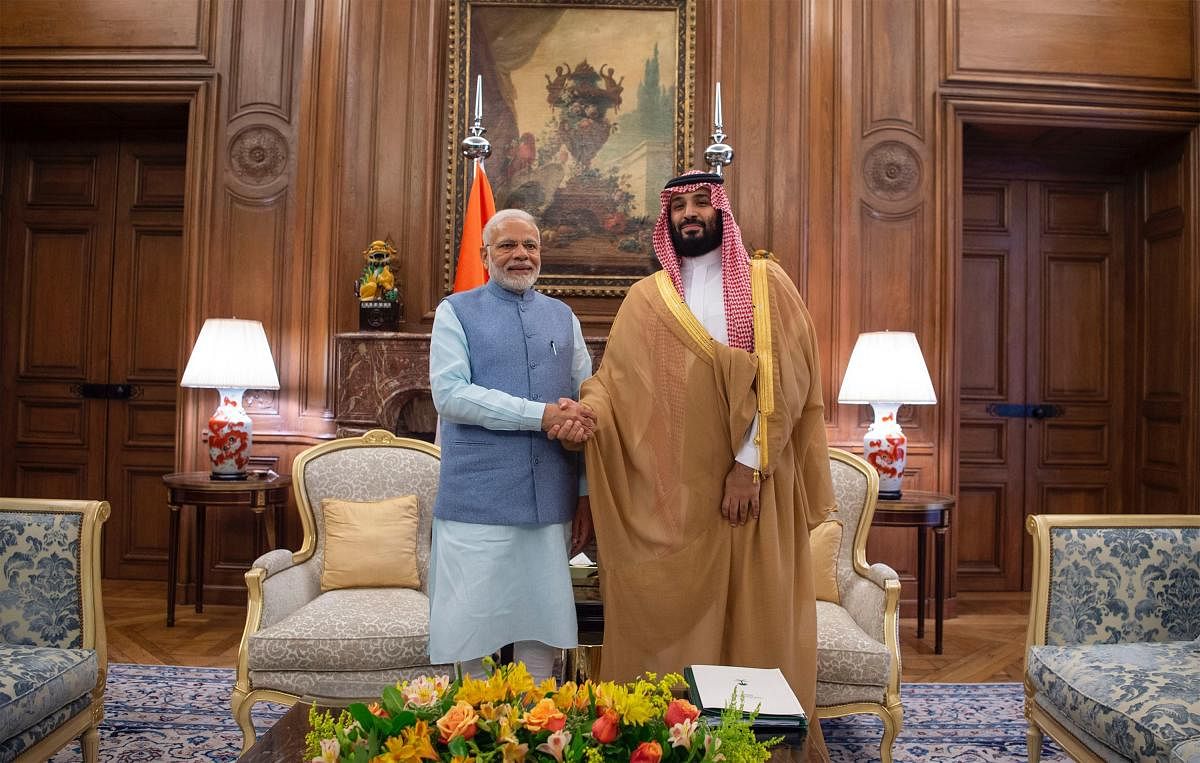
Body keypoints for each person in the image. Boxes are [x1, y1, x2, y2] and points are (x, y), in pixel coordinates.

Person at [578, 170, 835, 758]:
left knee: (756, 619)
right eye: (679, 207)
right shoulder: (648, 298)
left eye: (701, 203)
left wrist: (747, 467)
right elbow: (615, 384)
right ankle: (668, 742)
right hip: (681, 496)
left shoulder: (768, 284)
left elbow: (786, 383)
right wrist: (584, 412)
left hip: (755, 488)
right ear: (667, 221)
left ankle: (752, 747)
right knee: (666, 616)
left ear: (721, 211)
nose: (690, 214)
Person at [428, 208, 595, 682]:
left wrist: (584, 492)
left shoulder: (563, 317)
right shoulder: (454, 311)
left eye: (530, 246)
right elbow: (452, 394)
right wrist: (539, 415)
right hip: (475, 503)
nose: (521, 254)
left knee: (541, 633)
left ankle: (539, 738)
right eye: (507, 245)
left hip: (550, 506)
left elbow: (585, 404)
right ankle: (474, 744)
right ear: (485, 256)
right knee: (471, 634)